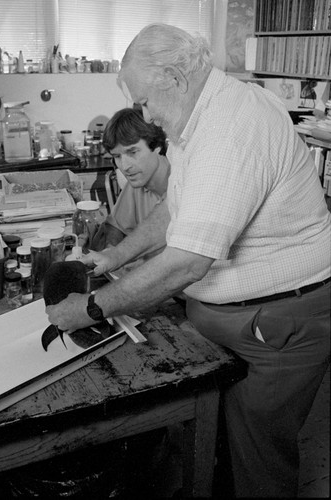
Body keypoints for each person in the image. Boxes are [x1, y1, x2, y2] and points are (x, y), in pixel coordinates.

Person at [47, 24, 331, 498]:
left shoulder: (231, 128)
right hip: (240, 319)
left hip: (279, 322)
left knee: (260, 459)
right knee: (223, 443)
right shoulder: (194, 119)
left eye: (143, 101)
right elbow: (178, 208)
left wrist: (91, 308)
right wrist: (115, 255)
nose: (144, 113)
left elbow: (186, 262)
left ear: (176, 78)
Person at [90, 107, 169, 260]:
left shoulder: (184, 182)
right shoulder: (138, 181)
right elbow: (115, 227)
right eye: (117, 156)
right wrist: (111, 252)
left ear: (157, 147)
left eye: (133, 152)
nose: (125, 166)